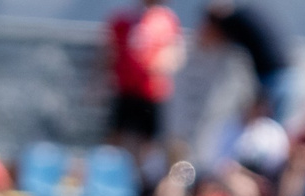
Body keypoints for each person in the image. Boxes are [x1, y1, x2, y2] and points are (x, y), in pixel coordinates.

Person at [106, 2, 183, 146]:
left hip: (152, 92)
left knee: (147, 141)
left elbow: (174, 52)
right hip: (126, 89)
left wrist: (160, 65)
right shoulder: (125, 17)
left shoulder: (166, 19)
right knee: (116, 136)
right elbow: (111, 52)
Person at [200, 1, 291, 118]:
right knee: (271, 126)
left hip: (274, 78)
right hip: (284, 75)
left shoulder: (232, 22)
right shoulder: (245, 15)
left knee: (268, 127)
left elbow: (210, 41)